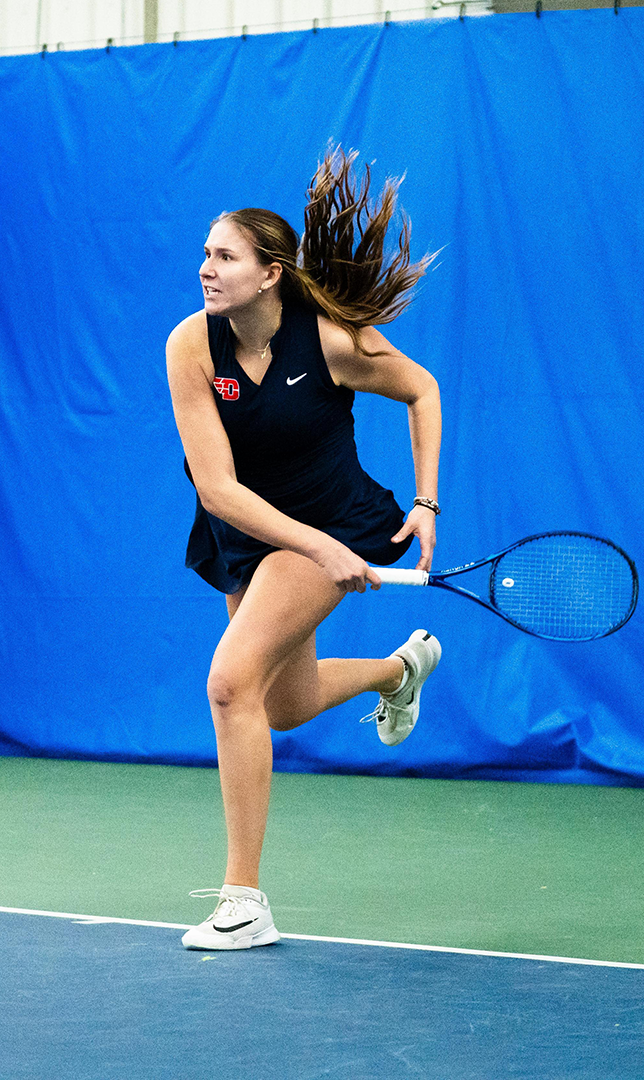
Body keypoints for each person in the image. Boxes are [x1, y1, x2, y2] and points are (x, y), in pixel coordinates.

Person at [166, 149, 444, 950]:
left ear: (270, 274)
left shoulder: (330, 342)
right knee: (280, 707)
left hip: (334, 516)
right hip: (252, 534)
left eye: (224, 257)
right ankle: (402, 670)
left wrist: (423, 503)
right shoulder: (191, 347)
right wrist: (313, 550)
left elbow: (422, 389)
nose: (206, 269)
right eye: (205, 254)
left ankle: (244, 901)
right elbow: (217, 488)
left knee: (229, 685)